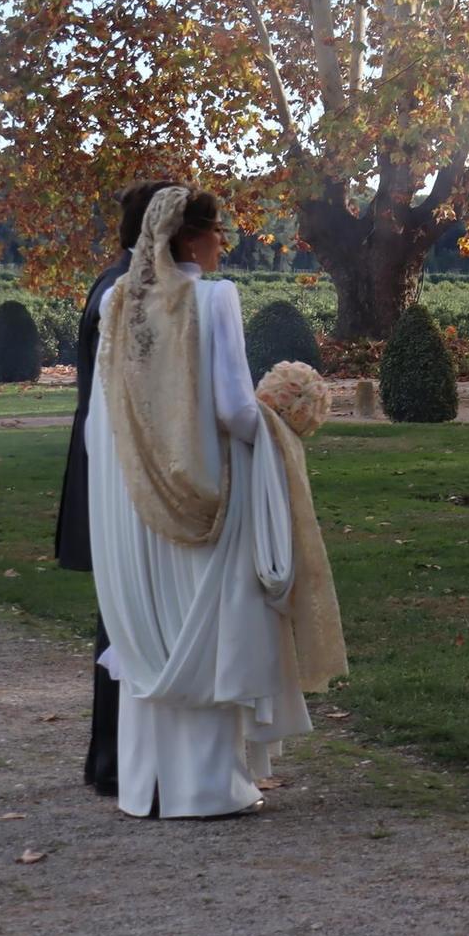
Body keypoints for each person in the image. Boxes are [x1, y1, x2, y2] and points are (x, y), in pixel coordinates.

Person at [86, 185, 344, 818]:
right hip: (204, 497)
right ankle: (206, 788)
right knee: (211, 626)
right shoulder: (213, 298)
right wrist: (281, 424)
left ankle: (147, 785)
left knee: (155, 627)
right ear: (193, 239)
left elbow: (102, 421)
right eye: (217, 232)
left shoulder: (118, 300)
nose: (223, 245)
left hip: (132, 500)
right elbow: (232, 409)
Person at [55, 179, 178, 796]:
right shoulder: (125, 292)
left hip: (110, 464)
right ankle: (118, 761)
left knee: (125, 614)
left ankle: (118, 758)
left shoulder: (115, 282)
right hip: (119, 470)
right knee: (128, 615)